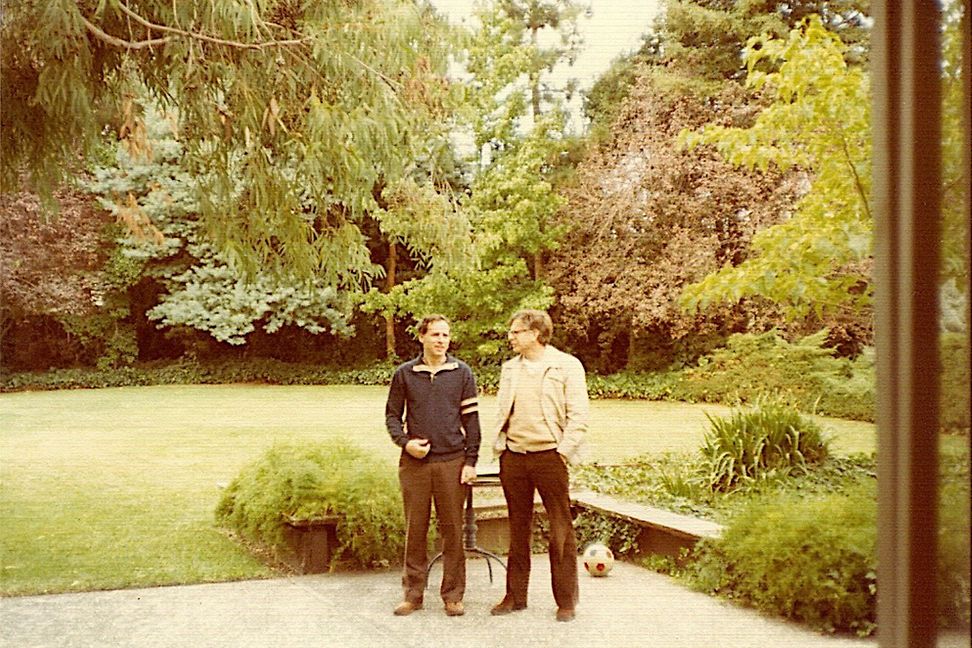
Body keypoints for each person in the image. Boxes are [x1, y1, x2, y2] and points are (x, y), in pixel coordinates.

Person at [490, 309, 588, 622]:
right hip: (514, 458)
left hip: (550, 457)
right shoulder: (509, 369)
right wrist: (501, 447)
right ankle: (515, 596)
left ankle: (566, 601)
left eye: (516, 332)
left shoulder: (566, 366)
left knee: (560, 528)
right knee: (518, 528)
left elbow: (579, 416)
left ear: (535, 333)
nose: (511, 337)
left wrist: (562, 452)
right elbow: (502, 409)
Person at [385, 314, 481, 617]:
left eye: (445, 335)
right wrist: (406, 443)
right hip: (415, 465)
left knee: (453, 531)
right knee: (416, 530)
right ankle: (413, 594)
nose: (441, 340)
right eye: (436, 334)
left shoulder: (462, 373)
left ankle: (453, 595)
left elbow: (472, 421)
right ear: (422, 337)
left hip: (452, 462)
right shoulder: (405, 374)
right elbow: (391, 416)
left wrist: (471, 461)